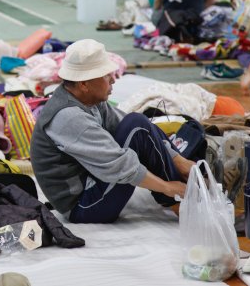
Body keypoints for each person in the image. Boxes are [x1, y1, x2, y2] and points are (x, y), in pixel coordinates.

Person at [30, 39, 194, 223]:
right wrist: (167, 188)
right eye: (106, 75)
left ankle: (184, 183)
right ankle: (179, 202)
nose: (113, 80)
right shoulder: (69, 117)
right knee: (137, 126)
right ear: (84, 84)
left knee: (138, 123)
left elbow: (136, 129)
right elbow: (120, 166)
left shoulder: (88, 100)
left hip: (92, 182)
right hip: (83, 206)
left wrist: (180, 161)